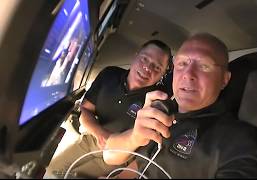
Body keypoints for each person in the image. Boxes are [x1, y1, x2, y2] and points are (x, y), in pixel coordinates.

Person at [102, 33, 257, 178]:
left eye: (204, 66)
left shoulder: (236, 141)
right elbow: (109, 156)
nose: (188, 74)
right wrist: (134, 138)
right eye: (182, 63)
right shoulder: (159, 111)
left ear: (224, 79)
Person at [44, 39, 172, 178]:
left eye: (157, 67)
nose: (147, 68)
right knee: (51, 172)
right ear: (136, 55)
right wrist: (101, 134)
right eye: (144, 59)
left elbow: (146, 150)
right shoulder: (109, 74)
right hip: (90, 140)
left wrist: (122, 176)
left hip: (119, 159)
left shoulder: (157, 102)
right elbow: (85, 110)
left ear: (162, 75)